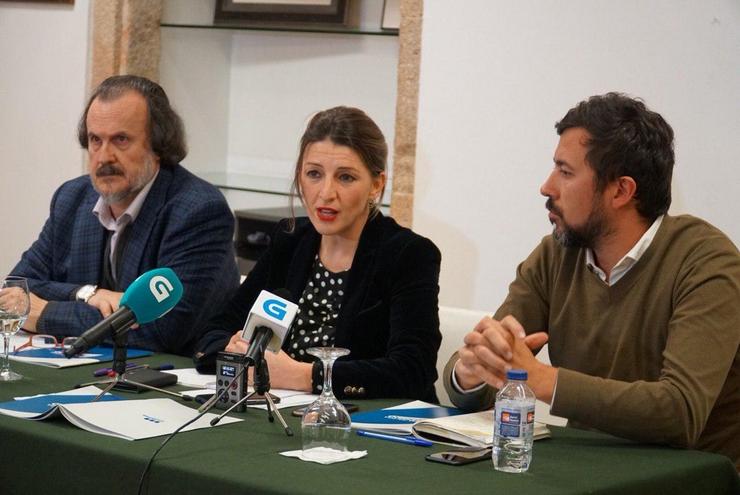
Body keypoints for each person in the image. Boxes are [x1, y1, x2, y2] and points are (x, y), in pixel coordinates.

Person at [444, 93, 740, 468]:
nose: (547, 187)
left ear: (621, 191)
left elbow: (679, 411)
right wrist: (470, 372)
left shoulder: (706, 260)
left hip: (690, 478)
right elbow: (494, 364)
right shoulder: (556, 254)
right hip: (586, 470)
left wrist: (541, 379)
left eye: (565, 172)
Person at [194, 106, 442, 402]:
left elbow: (412, 370)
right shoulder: (290, 241)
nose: (326, 193)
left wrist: (305, 376)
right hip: (281, 411)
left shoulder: (408, 254)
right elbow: (212, 333)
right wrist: (234, 348)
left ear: (376, 184)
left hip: (367, 423)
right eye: (314, 174)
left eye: (346, 178)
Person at [11, 75, 240, 355]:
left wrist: (47, 313)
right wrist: (87, 294)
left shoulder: (197, 210)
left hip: (171, 382)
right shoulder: (72, 198)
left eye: (120, 140)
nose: (104, 157)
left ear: (158, 145)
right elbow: (16, 291)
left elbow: (163, 329)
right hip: (87, 371)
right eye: (96, 140)